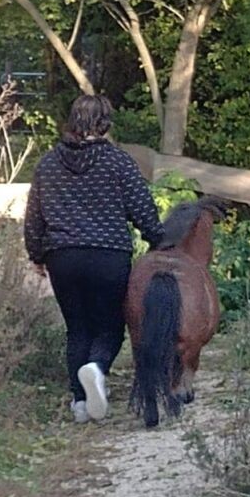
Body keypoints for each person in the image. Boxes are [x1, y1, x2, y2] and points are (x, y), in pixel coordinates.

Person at [24, 95, 163, 424]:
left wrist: (37, 255)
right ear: (105, 124)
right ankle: (97, 369)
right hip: (108, 255)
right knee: (110, 327)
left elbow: (34, 218)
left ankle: (81, 403)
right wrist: (158, 240)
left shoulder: (47, 164)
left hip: (63, 257)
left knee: (77, 329)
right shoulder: (118, 161)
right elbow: (142, 208)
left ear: (72, 121)